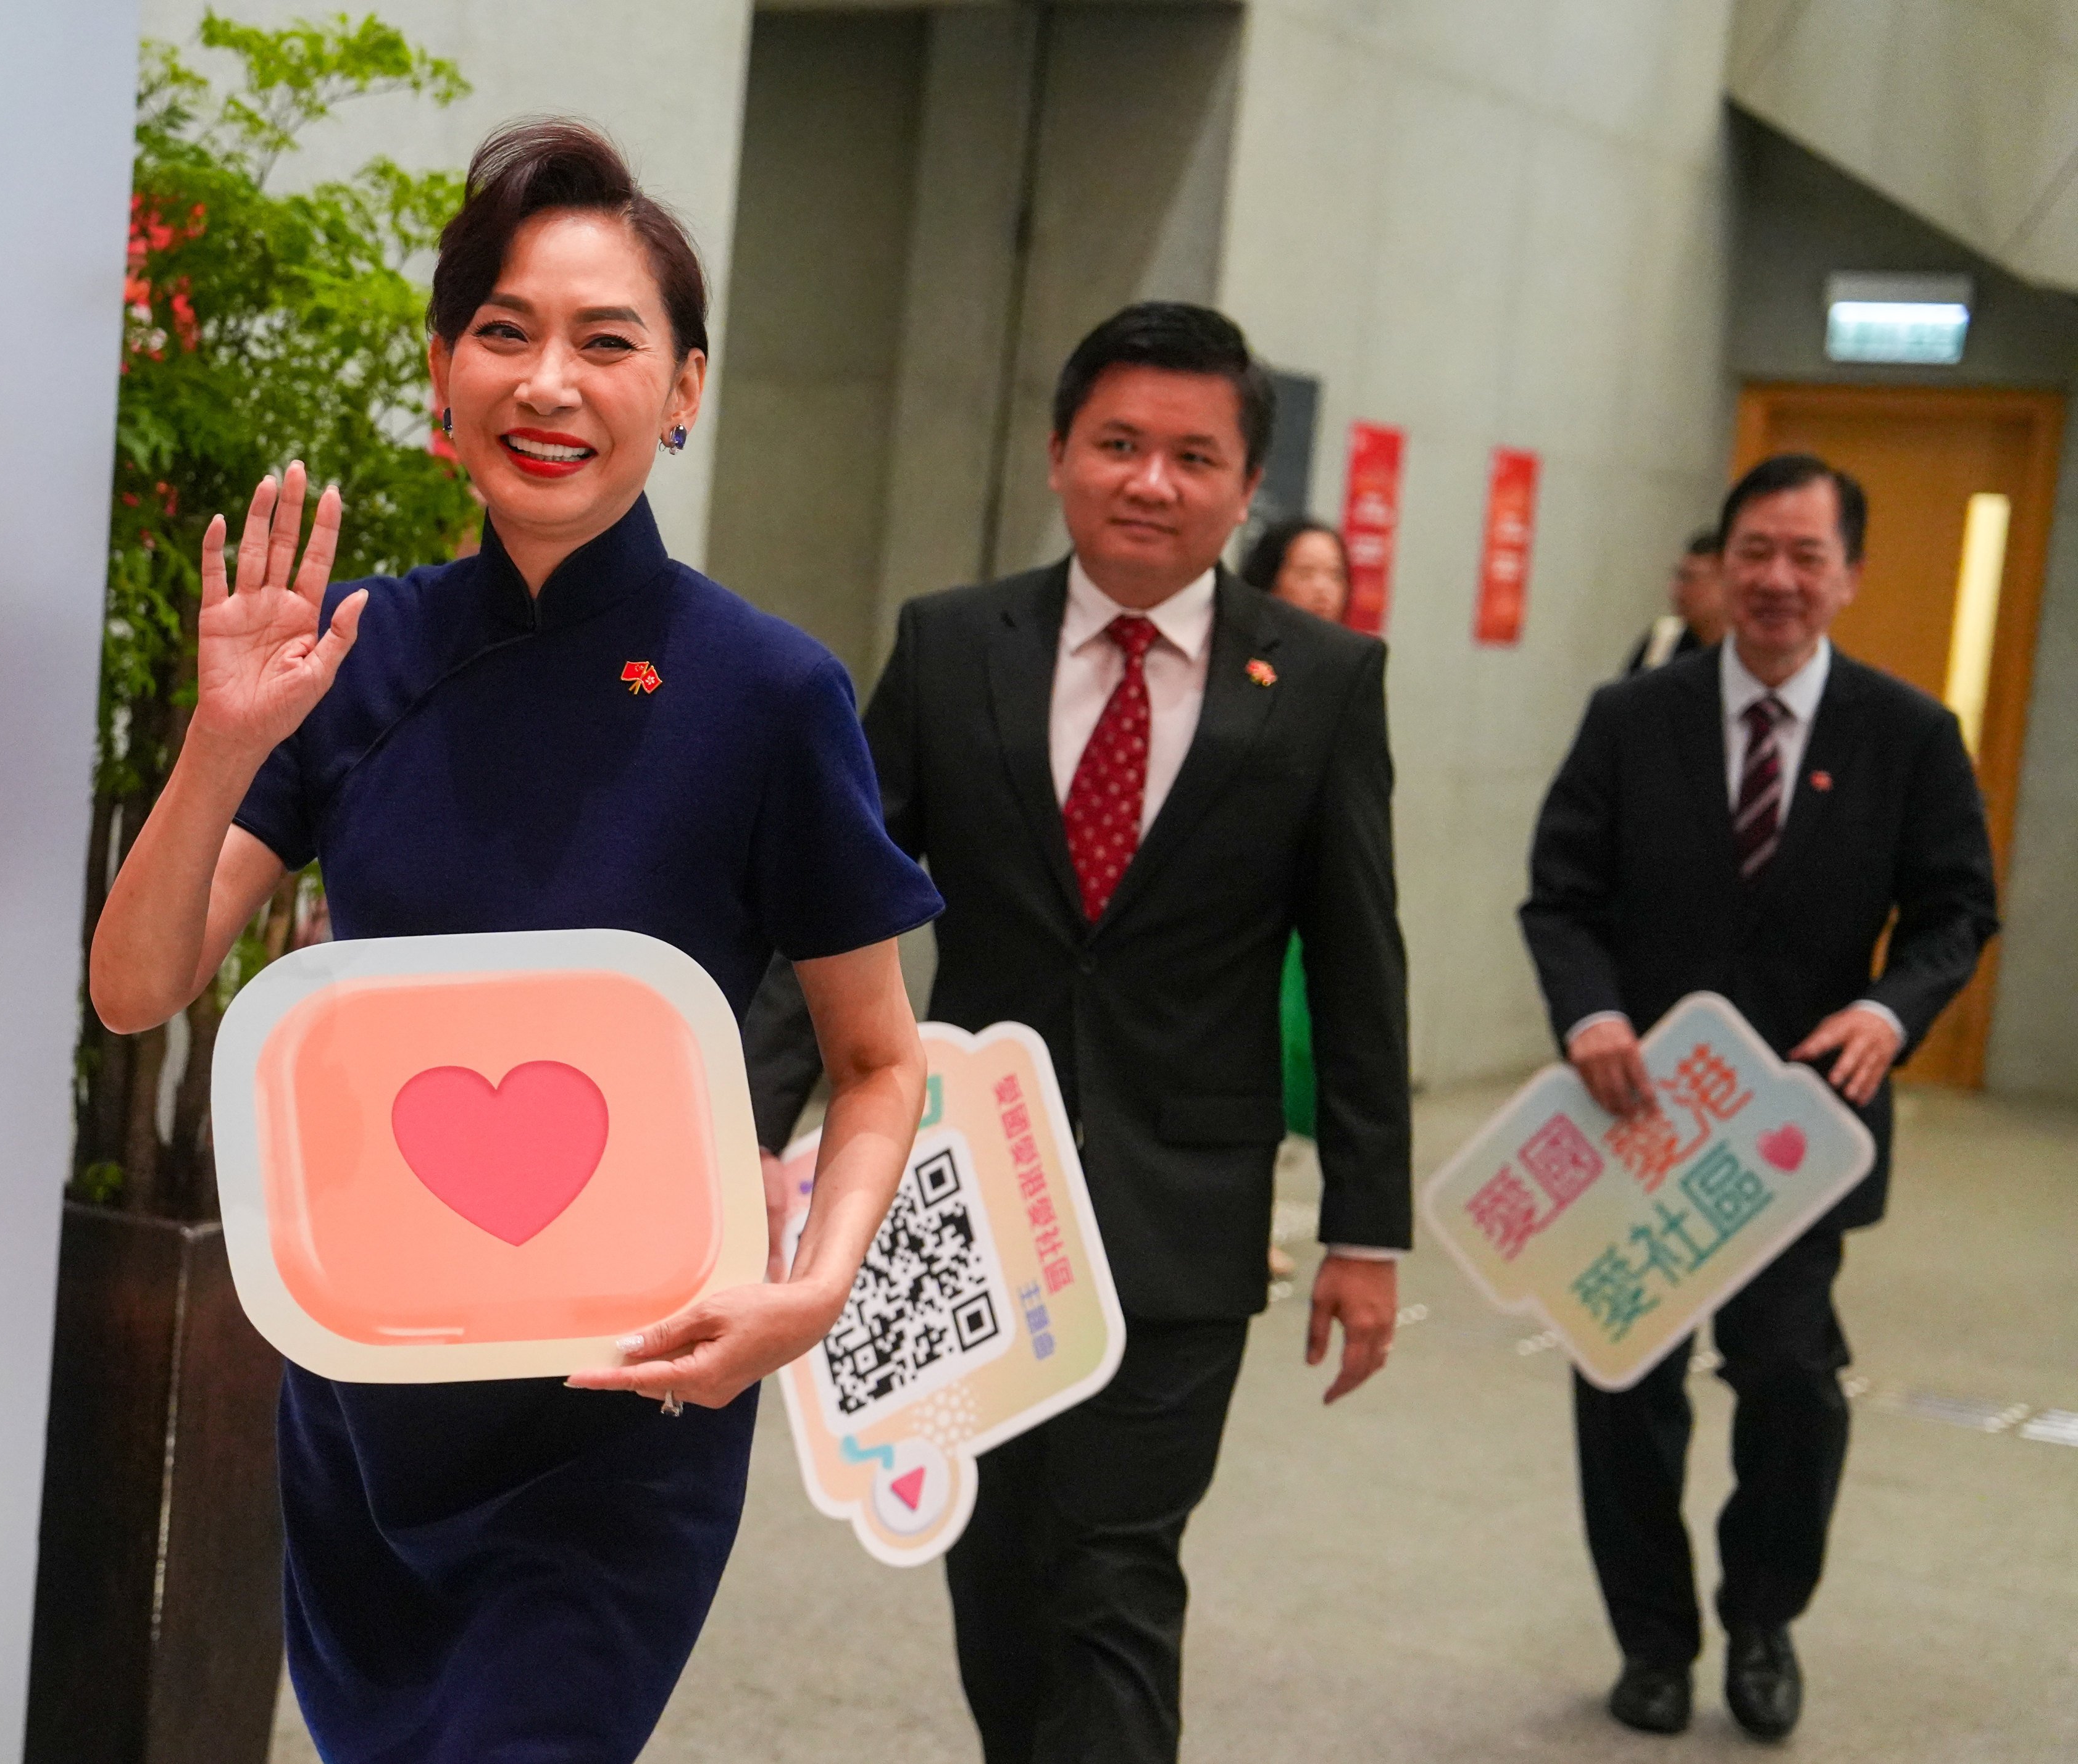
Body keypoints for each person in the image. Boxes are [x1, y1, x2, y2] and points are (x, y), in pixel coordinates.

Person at [88, 120, 942, 1764]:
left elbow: (876, 1057)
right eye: (506, 332)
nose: (550, 381)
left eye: (607, 342)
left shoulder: (769, 692)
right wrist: (219, 742)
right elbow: (136, 986)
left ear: (683, 390)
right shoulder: (357, 650)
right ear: (443, 373)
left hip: (630, 1401)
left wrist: (815, 1289)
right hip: (368, 1398)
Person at [742, 302, 1411, 1764]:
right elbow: (831, 911)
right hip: (966, 1204)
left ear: (1245, 486)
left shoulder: (1318, 684)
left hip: (1182, 1212)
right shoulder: (949, 644)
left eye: (1192, 454)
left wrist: (1368, 1226)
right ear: (1058, 453)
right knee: (999, 1575)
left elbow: (1362, 968)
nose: (1149, 481)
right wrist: (744, 1126)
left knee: (1115, 1573)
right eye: (1117, 443)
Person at [1521, 452, 1998, 1741]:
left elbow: (1959, 909)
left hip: (1797, 1129)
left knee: (1788, 1376)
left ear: (1845, 574)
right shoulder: (1633, 717)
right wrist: (1590, 1008)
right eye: (1754, 553)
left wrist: (1890, 1009)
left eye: (1804, 556)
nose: (1776, 580)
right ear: (1720, 564)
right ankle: (1653, 1642)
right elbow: (1557, 893)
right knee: (1623, 1378)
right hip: (1635, 1121)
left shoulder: (1905, 734)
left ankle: (1762, 1618)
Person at [1237, 517, 1356, 1276]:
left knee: (1298, 1060)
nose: (1320, 587)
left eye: (1333, 573)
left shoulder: (1345, 674)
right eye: (1305, 570)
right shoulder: (1242, 665)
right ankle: (1246, 1218)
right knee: (1261, 1054)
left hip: (1311, 908)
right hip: (1244, 909)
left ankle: (1257, 1212)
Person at [1624, 529, 1725, 673]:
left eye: (1689, 578)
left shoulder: (1748, 654)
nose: (1675, 589)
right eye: (1678, 577)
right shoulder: (1662, 643)